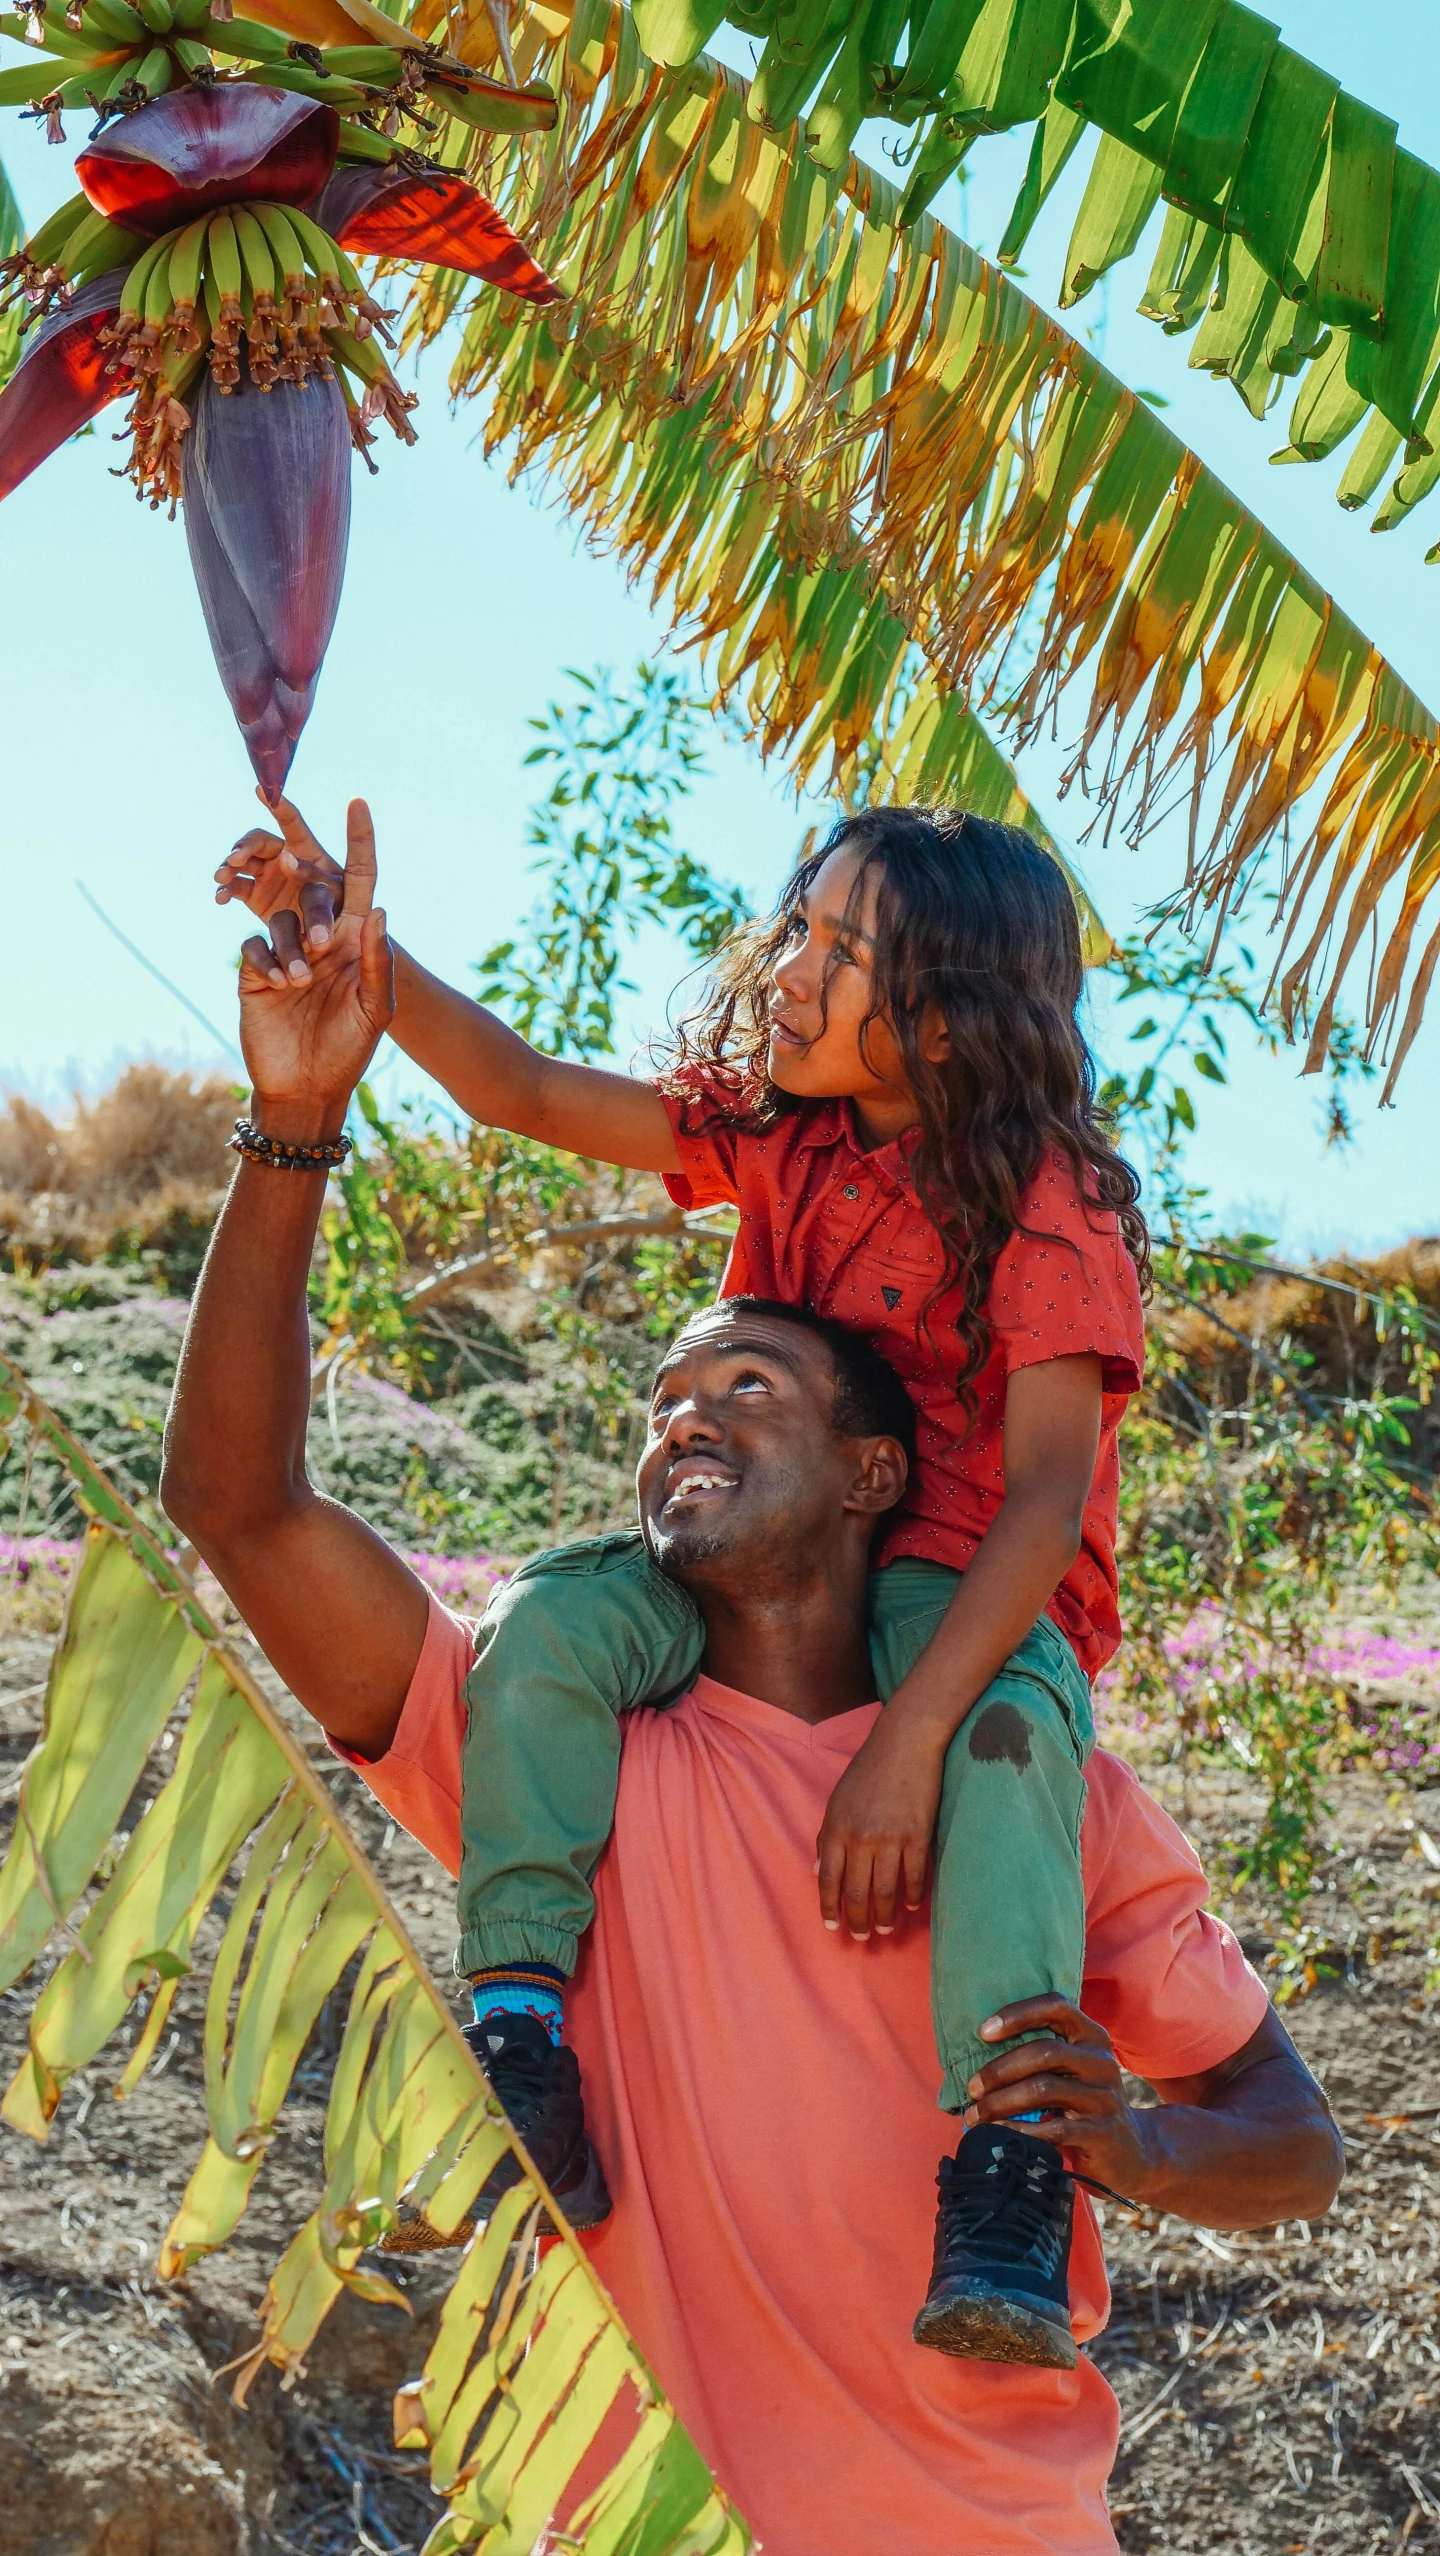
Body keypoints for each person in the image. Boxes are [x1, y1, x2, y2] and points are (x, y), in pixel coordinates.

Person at [159, 894, 1344, 2555]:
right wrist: (294, 1122)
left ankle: (990, 2194)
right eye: (666, 1401)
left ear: (877, 1471)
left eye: (750, 1389)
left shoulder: (1039, 1784)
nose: (686, 1418)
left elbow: (1295, 2143)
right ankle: (524, 2048)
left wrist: (1130, 2143)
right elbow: (239, 1504)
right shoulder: (555, 1748)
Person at [214, 791, 1150, 2366]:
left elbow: (1048, 1502)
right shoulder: (777, 1130)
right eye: (801, 925)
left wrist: (906, 1742)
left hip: (959, 1577)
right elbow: (513, 1087)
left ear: (945, 1011)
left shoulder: (1041, 1199)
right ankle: (520, 2032)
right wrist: (359, 954)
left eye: (844, 952)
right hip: (756, 1551)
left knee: (1002, 1750)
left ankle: (1004, 2175)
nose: (790, 965)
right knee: (553, 1625)